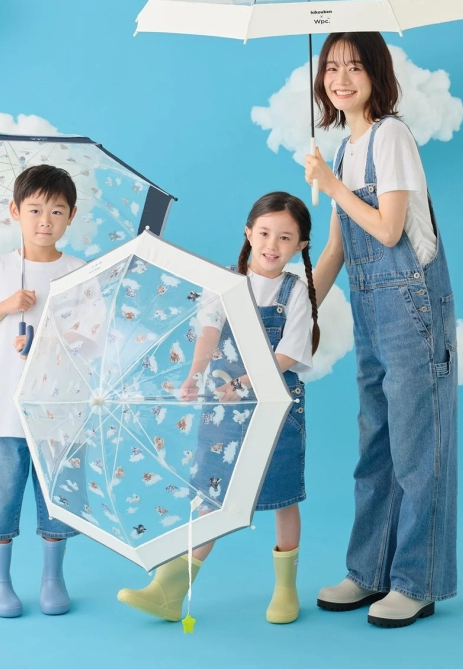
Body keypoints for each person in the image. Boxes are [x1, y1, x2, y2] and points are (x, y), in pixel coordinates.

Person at [305, 32, 458, 628]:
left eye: (355, 67)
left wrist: (332, 184)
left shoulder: (390, 137)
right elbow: (342, 246)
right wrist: (302, 311)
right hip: (371, 309)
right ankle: (369, 571)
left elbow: (390, 230)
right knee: (376, 444)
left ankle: (417, 581)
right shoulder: (346, 147)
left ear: (377, 75)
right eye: (332, 67)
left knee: (418, 449)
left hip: (413, 309)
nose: (341, 78)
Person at [117, 191, 320, 624]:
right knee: (211, 495)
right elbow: (208, 332)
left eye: (285, 237)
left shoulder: (294, 292)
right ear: (248, 233)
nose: (272, 244)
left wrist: (246, 381)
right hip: (222, 413)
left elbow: (290, 352)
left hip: (276, 409)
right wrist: (194, 374)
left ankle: (286, 589)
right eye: (264, 233)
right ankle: (171, 589)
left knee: (282, 496)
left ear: (300, 245)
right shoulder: (226, 282)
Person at [0, 164, 83, 618]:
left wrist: (51, 340)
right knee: (0, 497)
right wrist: (9, 306)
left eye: (56, 210)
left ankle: (53, 578)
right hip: (5, 412)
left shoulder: (78, 272)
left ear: (71, 216)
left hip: (58, 411)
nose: (44, 220)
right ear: (15, 211)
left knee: (58, 499)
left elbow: (92, 337)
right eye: (34, 210)